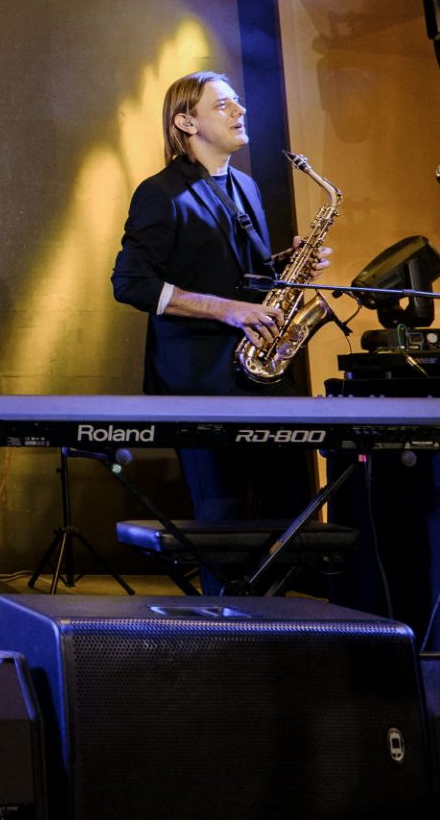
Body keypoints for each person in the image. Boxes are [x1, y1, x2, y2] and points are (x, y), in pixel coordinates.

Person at [111, 71, 323, 534]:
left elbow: (236, 274)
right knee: (222, 521)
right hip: (199, 383)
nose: (240, 111)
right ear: (186, 122)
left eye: (237, 101)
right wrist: (227, 309)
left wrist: (291, 265)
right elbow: (130, 283)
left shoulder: (245, 185)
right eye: (223, 105)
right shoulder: (160, 192)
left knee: (288, 511)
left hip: (260, 377)